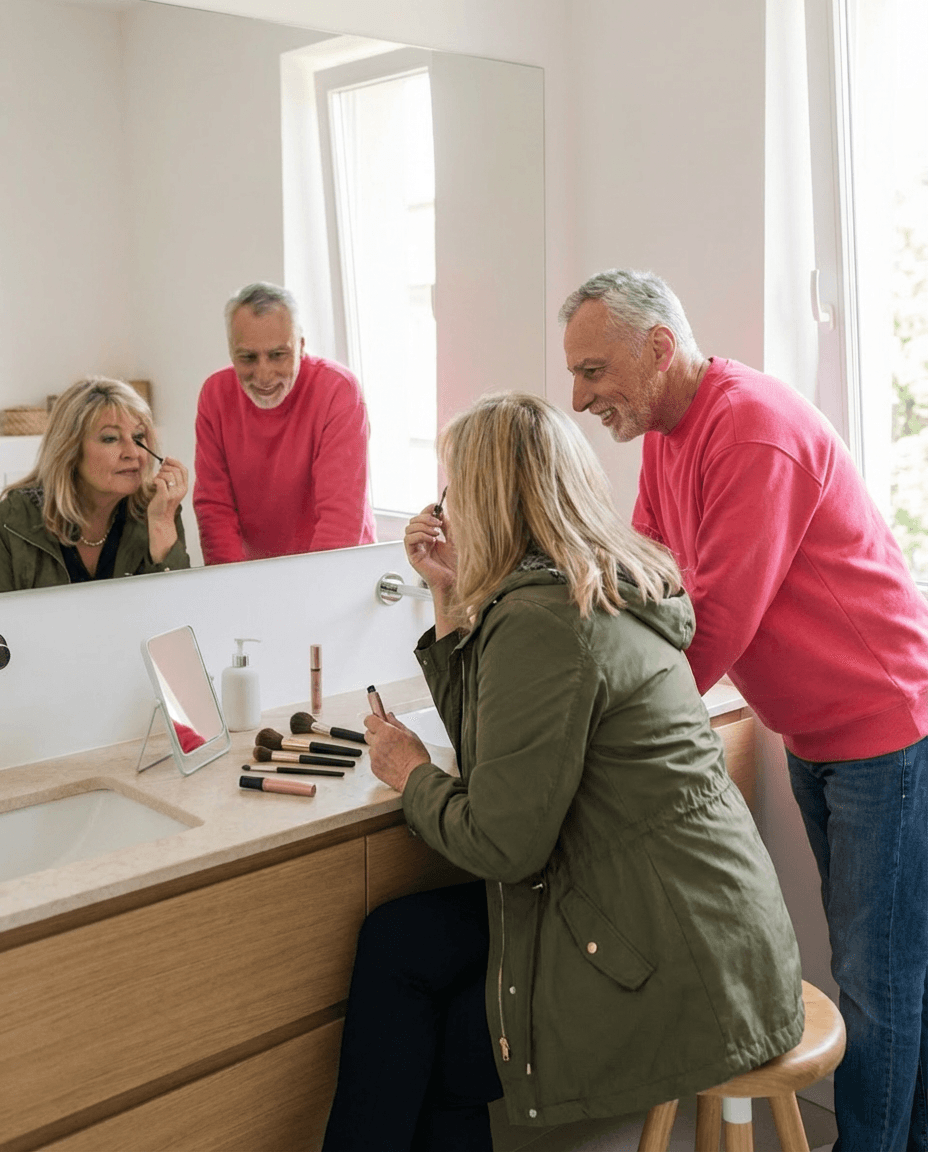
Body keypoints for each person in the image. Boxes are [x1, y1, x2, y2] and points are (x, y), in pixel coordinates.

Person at [322, 392, 803, 1152]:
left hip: (669, 956)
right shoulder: (596, 583)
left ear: (490, 498)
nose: (443, 508)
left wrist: (411, 773)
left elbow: (501, 844)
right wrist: (448, 591)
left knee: (440, 1045)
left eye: (452, 490)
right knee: (399, 942)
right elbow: (496, 759)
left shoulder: (543, 621)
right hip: (698, 927)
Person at [561, 267, 928, 1152]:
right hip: (814, 733)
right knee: (881, 966)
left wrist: (606, 730)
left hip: (886, 729)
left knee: (879, 977)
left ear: (658, 347)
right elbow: (650, 582)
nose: (579, 398)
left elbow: (714, 623)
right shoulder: (667, 433)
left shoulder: (751, 430)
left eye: (594, 371)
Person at [193, 282, 376, 564]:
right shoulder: (214, 394)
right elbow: (215, 508)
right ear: (231, 352)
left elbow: (340, 516)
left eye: (278, 355)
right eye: (248, 358)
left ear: (301, 346)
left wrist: (312, 590)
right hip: (258, 572)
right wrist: (229, 586)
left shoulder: (338, 390)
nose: (263, 375)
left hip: (338, 565)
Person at [0, 377, 188, 593]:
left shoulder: (160, 509)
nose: (133, 453)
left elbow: (178, 610)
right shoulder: (12, 520)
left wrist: (161, 523)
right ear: (70, 451)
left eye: (138, 436)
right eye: (110, 438)